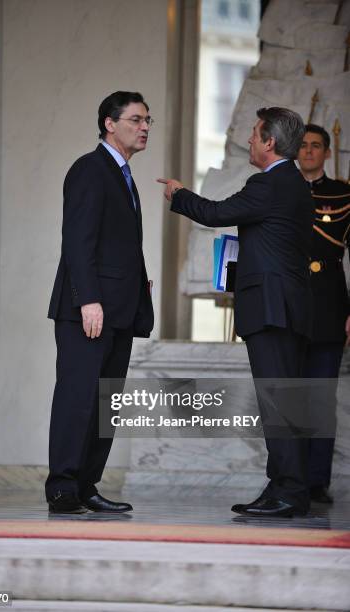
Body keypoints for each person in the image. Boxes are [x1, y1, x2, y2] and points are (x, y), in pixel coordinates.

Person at [159, 107, 314, 517]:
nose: (249, 140)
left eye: (254, 134)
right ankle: (282, 486)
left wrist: (178, 194)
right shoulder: (294, 184)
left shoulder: (269, 185)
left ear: (270, 142)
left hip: (271, 309)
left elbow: (214, 213)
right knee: (284, 402)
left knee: (279, 404)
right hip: (286, 308)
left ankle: (289, 492)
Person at [46, 91, 154, 514]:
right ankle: (63, 486)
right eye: (136, 119)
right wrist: (88, 299)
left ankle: (87, 484)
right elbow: (77, 240)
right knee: (78, 397)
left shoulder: (124, 176)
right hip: (88, 311)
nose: (145, 127)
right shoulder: (90, 169)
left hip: (120, 313)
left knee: (106, 402)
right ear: (110, 123)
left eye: (148, 120)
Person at [297, 124, 350, 504]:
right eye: (303, 145)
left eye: (316, 146)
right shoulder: (281, 189)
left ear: (327, 153)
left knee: (321, 399)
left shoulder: (344, 193)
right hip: (288, 304)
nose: (309, 151)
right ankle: (288, 478)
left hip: (330, 306)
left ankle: (316, 480)